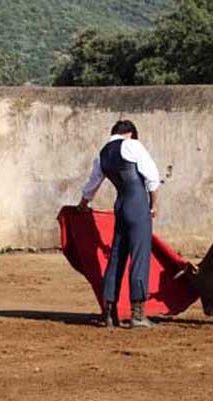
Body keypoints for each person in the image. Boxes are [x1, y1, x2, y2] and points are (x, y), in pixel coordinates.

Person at [78, 120, 160, 328]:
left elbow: (92, 184)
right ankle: (138, 314)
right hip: (137, 203)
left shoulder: (103, 153)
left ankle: (108, 312)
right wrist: (152, 206)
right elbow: (152, 177)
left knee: (116, 256)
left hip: (120, 205)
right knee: (140, 256)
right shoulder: (132, 145)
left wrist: (83, 204)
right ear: (130, 133)